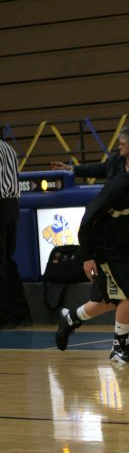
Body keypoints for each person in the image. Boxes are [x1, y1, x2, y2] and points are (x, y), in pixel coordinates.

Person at [54, 144, 129, 363]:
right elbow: (87, 220)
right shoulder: (118, 186)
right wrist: (87, 257)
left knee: (109, 302)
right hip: (101, 249)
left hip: (123, 250)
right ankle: (119, 347)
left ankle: (70, 319)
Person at [0, 140, 32, 329]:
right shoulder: (8, 148)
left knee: (1, 263)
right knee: (8, 261)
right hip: (12, 206)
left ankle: (4, 317)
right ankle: (22, 313)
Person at [50, 126, 129, 180]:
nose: (119, 147)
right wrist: (70, 168)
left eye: (122, 144)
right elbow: (95, 169)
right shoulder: (114, 161)